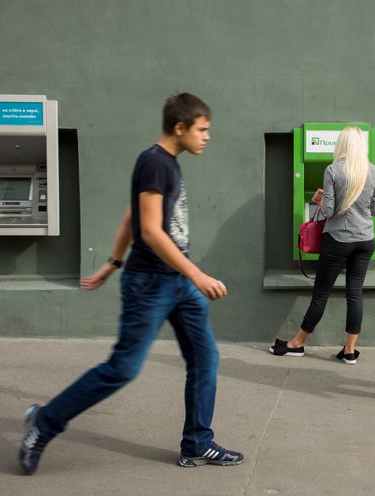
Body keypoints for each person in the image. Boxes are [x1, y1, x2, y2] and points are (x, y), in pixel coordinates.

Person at [17, 92, 243, 475]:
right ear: (179, 127)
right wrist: (197, 275)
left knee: (205, 360)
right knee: (122, 368)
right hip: (153, 285)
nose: (207, 137)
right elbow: (152, 233)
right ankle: (45, 421)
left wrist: (112, 262)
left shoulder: (165, 164)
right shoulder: (156, 163)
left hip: (178, 283)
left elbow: (130, 217)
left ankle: (197, 443)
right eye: (202, 130)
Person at [269, 125, 375, 364]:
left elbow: (328, 211)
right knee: (355, 294)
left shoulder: (333, 170)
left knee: (321, 293)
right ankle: (350, 351)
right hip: (365, 240)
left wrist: (317, 201)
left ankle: (296, 344)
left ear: (342, 144)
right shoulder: (374, 171)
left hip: (338, 239)